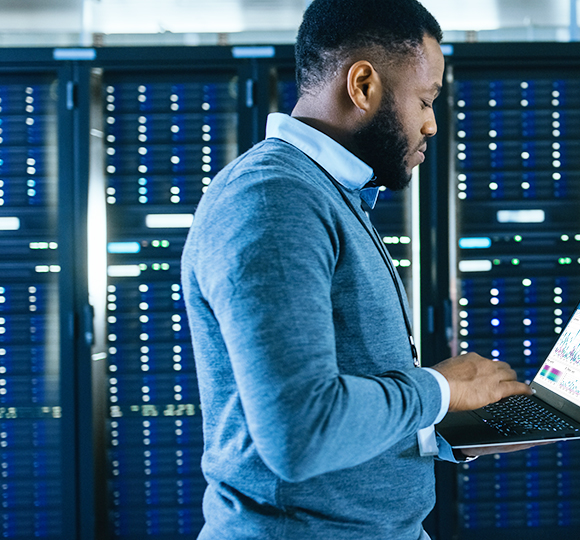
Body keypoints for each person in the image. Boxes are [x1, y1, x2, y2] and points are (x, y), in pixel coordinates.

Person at [181, 0, 535, 538]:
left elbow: (348, 398)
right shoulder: (274, 199)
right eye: (424, 100)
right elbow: (299, 431)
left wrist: (449, 428)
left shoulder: (330, 194)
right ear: (364, 85)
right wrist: (439, 390)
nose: (432, 125)